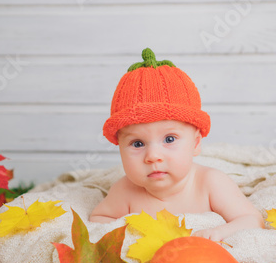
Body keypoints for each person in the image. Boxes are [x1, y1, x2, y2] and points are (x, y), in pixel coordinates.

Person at [89, 48, 264, 241]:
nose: (153, 156)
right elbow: (98, 220)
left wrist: (218, 233)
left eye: (169, 139)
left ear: (196, 144)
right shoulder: (124, 191)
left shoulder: (210, 184)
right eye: (137, 143)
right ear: (120, 148)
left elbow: (252, 219)